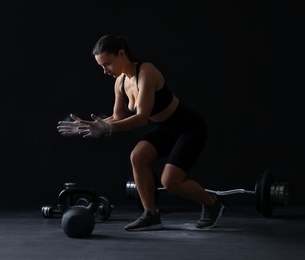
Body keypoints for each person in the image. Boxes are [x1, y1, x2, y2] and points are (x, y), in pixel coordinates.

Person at [57, 34, 224, 231]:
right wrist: (89, 126)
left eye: (107, 64)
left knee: (170, 182)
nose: (105, 71)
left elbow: (142, 117)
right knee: (138, 156)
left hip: (189, 127)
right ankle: (151, 215)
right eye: (102, 66)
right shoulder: (120, 82)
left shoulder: (146, 71)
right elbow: (118, 116)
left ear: (121, 54)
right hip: (166, 128)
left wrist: (106, 128)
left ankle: (212, 204)